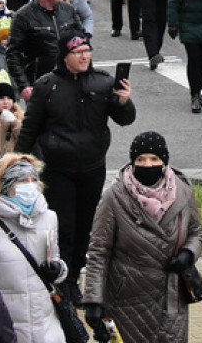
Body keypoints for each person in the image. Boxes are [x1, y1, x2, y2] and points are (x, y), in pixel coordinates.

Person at [14, 29, 136, 307]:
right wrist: (17, 169)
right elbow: (29, 130)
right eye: (78, 52)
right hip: (57, 170)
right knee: (63, 228)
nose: (85, 56)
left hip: (92, 168)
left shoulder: (103, 83)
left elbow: (124, 119)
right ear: (65, 56)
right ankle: (62, 281)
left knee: (85, 228)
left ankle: (73, 281)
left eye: (87, 51)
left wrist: (124, 102)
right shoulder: (47, 86)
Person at [83, 132, 202, 343]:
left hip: (171, 298)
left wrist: (188, 254)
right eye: (141, 159)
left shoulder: (183, 191)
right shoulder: (114, 197)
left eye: (154, 159)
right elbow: (99, 251)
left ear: (164, 161)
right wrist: (94, 301)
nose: (147, 165)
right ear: (132, 162)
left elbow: (196, 232)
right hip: (128, 301)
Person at [0, 154, 67, 343]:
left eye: (33, 180)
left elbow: (55, 262)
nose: (30, 185)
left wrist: (58, 270)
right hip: (8, 329)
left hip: (47, 328)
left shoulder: (49, 218)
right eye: (22, 181)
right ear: (5, 186)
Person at [6, 0, 83, 100]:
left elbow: (82, 42)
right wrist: (23, 85)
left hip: (71, 80)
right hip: (40, 84)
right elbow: (13, 54)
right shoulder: (23, 16)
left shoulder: (68, 10)